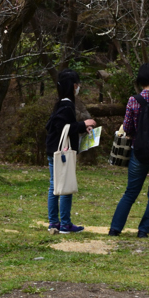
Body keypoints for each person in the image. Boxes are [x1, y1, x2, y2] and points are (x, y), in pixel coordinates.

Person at [108, 63, 149, 238]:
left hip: (140, 153)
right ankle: (143, 231)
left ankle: (115, 228)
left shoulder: (134, 100)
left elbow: (128, 128)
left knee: (131, 192)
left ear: (140, 80)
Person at [45, 69, 96, 234]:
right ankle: (65, 224)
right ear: (74, 86)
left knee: (54, 185)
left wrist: (81, 127)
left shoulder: (60, 103)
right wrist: (83, 124)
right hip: (62, 152)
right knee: (65, 185)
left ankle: (54, 223)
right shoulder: (67, 105)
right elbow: (62, 127)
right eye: (78, 85)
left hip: (53, 149)